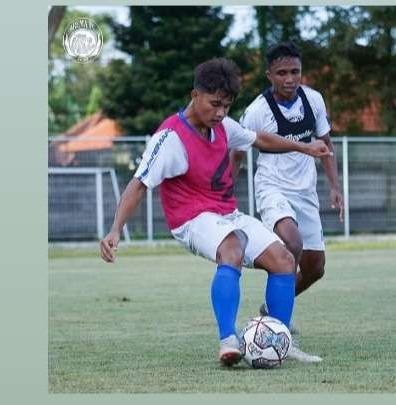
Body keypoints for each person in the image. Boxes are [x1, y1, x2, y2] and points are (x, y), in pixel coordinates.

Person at [99, 57, 331, 367]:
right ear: (195, 95)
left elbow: (259, 138)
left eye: (227, 106)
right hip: (191, 219)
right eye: (215, 104)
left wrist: (305, 147)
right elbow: (139, 184)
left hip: (226, 214)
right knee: (232, 247)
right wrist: (115, 230)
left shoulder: (223, 126)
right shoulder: (170, 138)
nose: (221, 113)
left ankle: (280, 340)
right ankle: (228, 341)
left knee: (284, 259)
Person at [232, 42, 343, 361]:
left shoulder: (314, 100)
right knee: (290, 244)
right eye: (282, 73)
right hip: (272, 188)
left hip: (305, 192)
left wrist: (334, 186)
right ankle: (279, 333)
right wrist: (227, 188)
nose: (289, 78)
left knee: (315, 267)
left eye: (295, 71)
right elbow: (238, 151)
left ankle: (270, 309)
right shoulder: (257, 111)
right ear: (269, 75)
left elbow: (326, 143)